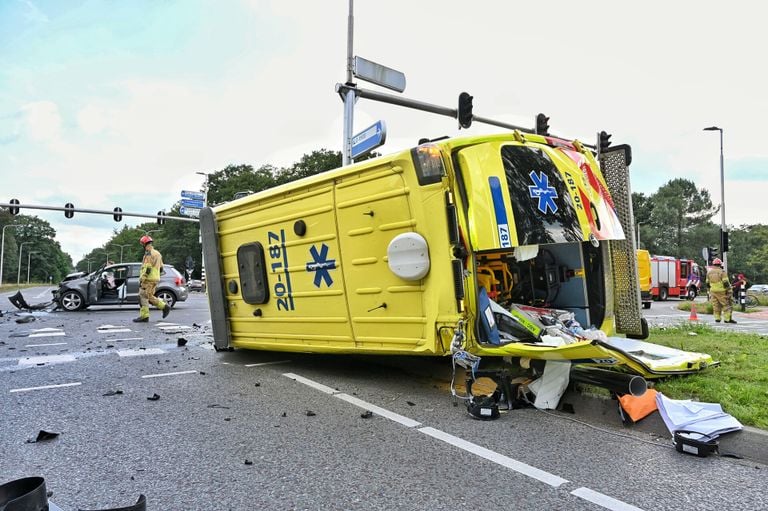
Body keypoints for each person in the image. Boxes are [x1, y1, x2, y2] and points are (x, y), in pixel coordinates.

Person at [133, 235, 171, 322]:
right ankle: (163, 307)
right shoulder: (157, 253)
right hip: (155, 278)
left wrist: (143, 278)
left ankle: (146, 316)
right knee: (148, 296)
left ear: (144, 244)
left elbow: (148, 268)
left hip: (148, 279)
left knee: (143, 296)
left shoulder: (148, 253)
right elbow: (161, 267)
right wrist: (156, 276)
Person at [706, 258, 735, 324]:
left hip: (713, 291)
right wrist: (729, 290)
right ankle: (727, 319)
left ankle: (717, 318)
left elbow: (707, 283)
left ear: (713, 264)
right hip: (722, 291)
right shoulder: (722, 272)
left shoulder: (709, 272)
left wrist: (709, 291)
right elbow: (725, 282)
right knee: (726, 305)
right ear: (720, 265)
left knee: (716, 305)